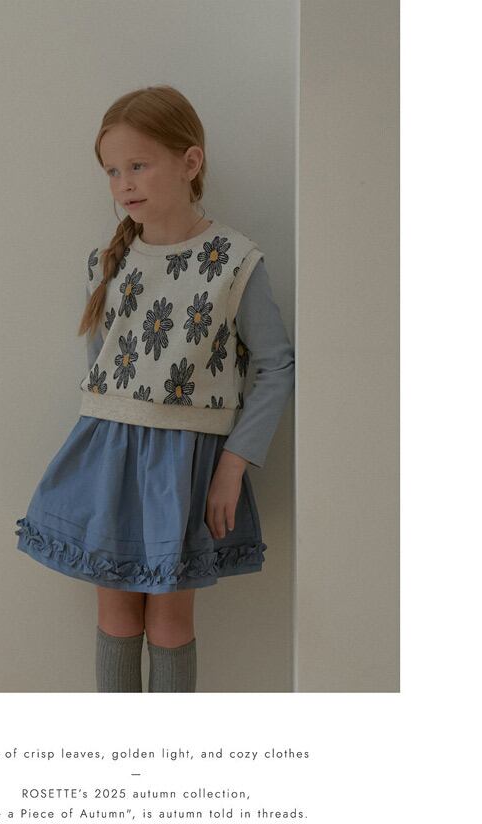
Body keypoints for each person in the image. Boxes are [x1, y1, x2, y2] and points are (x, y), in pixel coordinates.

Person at [15, 85, 295, 694]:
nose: (123, 184)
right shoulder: (107, 263)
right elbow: (101, 375)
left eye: (138, 166)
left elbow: (276, 366)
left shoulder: (234, 261)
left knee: (169, 618)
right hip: (109, 459)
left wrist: (233, 466)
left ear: (190, 162)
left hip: (184, 466)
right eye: (112, 172)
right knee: (116, 615)